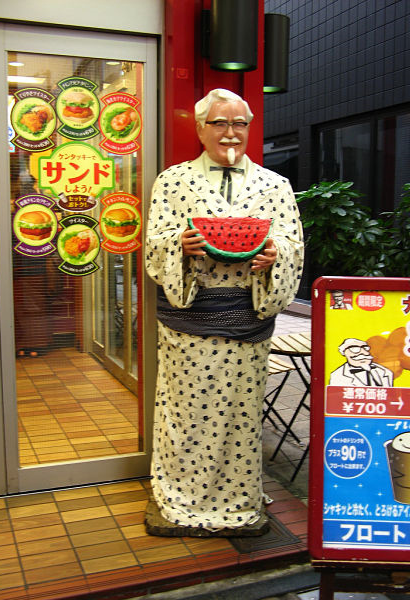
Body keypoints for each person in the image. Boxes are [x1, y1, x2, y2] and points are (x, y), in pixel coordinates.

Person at [145, 88, 304, 535]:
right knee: (186, 416)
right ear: (200, 128)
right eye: (219, 123)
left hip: (247, 325)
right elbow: (154, 244)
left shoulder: (276, 185)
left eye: (239, 123)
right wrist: (178, 244)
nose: (230, 132)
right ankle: (183, 495)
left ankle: (238, 497)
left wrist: (275, 255)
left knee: (241, 418)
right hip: (187, 328)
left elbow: (293, 244)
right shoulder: (171, 181)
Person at [329, 338, 394, 387]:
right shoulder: (337, 375)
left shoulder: (384, 371)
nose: (363, 352)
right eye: (354, 349)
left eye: (365, 348)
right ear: (344, 353)